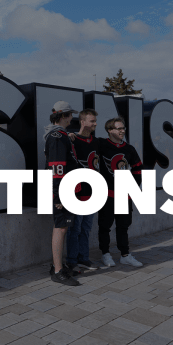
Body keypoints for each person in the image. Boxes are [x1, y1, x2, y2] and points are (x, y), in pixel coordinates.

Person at [97, 117, 144, 268]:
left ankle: (125, 255)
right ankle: (105, 254)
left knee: (123, 226)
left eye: (123, 128)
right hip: (108, 195)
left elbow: (137, 169)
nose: (122, 131)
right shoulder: (101, 144)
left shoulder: (129, 149)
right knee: (105, 226)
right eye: (119, 128)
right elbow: (83, 142)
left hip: (124, 195)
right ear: (110, 130)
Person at [44, 101, 81, 286]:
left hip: (63, 188)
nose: (72, 118)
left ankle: (58, 266)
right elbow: (56, 168)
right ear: (64, 116)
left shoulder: (60, 135)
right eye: (70, 115)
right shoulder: (58, 136)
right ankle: (57, 270)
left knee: (63, 227)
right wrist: (58, 196)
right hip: (61, 189)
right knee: (61, 228)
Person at [66, 109, 101, 270]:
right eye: (92, 121)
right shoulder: (72, 139)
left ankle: (83, 257)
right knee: (75, 228)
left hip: (93, 192)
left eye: (95, 121)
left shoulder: (96, 142)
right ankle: (72, 260)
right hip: (77, 192)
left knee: (86, 228)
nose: (95, 123)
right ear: (82, 122)